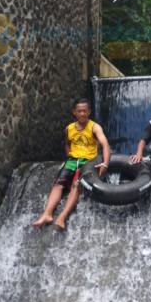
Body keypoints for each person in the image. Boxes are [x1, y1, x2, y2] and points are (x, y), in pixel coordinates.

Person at [31, 98, 110, 231]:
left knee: (76, 185)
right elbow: (67, 143)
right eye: (79, 111)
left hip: (88, 162)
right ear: (74, 112)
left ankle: (62, 217)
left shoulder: (94, 127)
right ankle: (47, 214)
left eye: (85, 111)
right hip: (73, 160)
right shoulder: (69, 128)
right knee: (58, 184)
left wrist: (105, 164)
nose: (82, 114)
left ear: (89, 112)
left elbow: (105, 145)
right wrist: (69, 156)